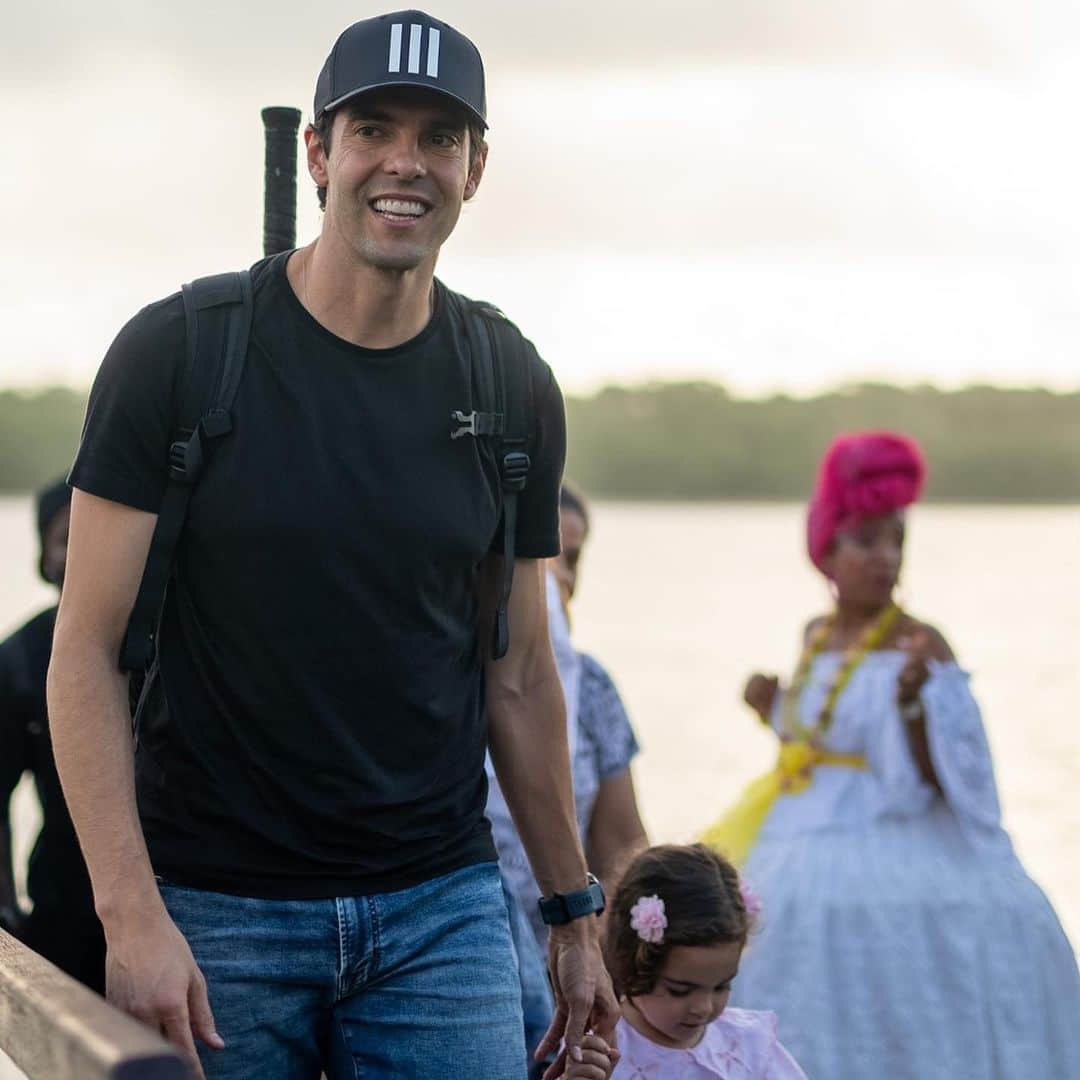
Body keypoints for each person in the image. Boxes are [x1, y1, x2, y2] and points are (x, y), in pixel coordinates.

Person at [47, 11, 616, 1079]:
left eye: (439, 138)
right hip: (217, 908)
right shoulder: (177, 355)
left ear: (475, 168)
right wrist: (130, 918)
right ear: (319, 152)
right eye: (374, 130)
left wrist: (574, 910)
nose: (406, 163)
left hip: (439, 915)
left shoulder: (508, 384)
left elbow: (525, 675)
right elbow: (84, 650)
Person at [702, 431, 1080, 1079]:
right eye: (867, 541)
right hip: (809, 819)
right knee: (775, 917)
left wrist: (913, 706)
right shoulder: (816, 637)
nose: (885, 559)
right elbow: (820, 738)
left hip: (900, 822)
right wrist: (773, 710)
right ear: (829, 550)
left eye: (896, 541)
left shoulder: (920, 641)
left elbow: (952, 775)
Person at [487, 486, 649, 1065]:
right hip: (472, 950)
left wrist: (608, 954)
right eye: (546, 551)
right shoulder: (446, 672)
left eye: (573, 558)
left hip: (570, 952)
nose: (558, 572)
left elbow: (621, 844)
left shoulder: (594, 686)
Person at [0, 480, 105, 992]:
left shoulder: (172, 648)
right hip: (64, 911)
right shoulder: (18, 658)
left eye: (98, 534)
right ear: (45, 558)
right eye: (67, 537)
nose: (85, 551)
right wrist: (5, 910)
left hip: (190, 914)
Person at [603, 844, 806, 1078]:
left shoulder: (749, 1046)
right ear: (632, 962)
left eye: (721, 986)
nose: (704, 1008)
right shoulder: (603, 1050)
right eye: (680, 990)